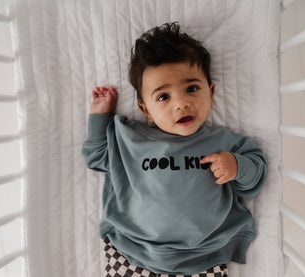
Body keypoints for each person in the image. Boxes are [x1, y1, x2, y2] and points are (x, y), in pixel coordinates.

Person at [82, 22, 267, 277]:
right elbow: (96, 156)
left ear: (210, 93)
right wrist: (99, 117)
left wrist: (237, 166)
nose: (181, 104)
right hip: (134, 251)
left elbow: (256, 175)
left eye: (192, 89)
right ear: (145, 109)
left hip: (203, 255)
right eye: (163, 97)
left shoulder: (223, 142)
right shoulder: (130, 138)